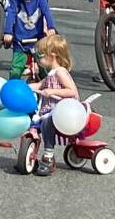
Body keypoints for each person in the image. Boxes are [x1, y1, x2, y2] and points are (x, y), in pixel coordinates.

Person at [29, 33, 79, 177]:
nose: (38, 59)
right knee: (33, 122)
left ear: (52, 55)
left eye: (41, 55)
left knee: (46, 123)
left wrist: (52, 91)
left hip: (62, 112)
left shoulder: (60, 72)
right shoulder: (51, 74)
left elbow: (72, 91)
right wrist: (24, 87)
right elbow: (40, 85)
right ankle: (28, 154)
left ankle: (48, 156)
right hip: (49, 111)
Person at [3, 0, 56, 80]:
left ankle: (47, 85)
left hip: (38, 41)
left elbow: (47, 13)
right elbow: (10, 16)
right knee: (16, 69)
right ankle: (14, 88)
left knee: (45, 67)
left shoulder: (41, 0)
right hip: (20, 42)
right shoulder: (15, 1)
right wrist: (8, 33)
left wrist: (51, 27)